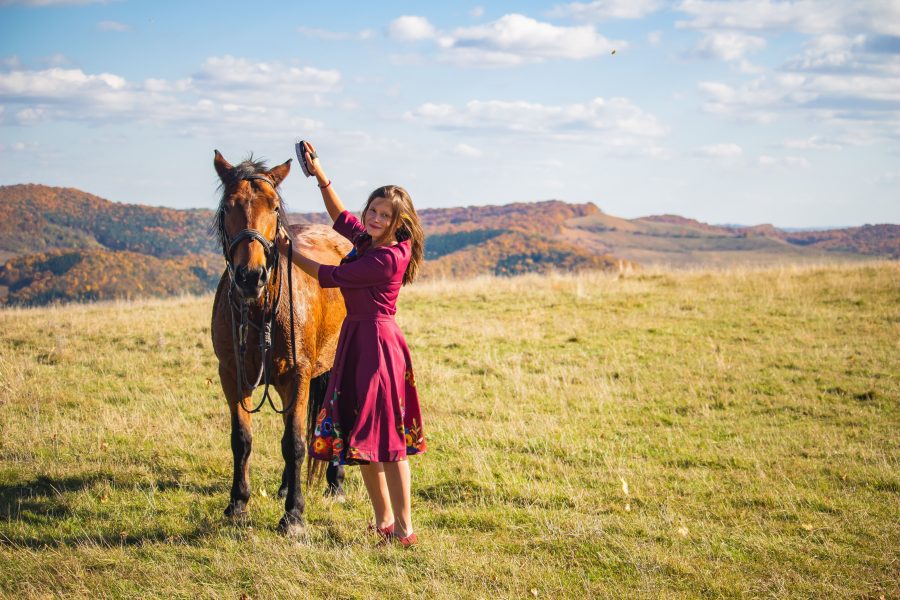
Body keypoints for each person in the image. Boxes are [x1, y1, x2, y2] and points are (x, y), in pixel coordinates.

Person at [276, 141, 426, 548]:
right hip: (357, 340)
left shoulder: (388, 257)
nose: (375, 218)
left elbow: (329, 276)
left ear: (400, 222)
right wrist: (320, 174)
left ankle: (405, 530)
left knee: (390, 446)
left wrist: (290, 254)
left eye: (385, 215)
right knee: (363, 440)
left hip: (377, 347)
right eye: (373, 210)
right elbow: (340, 217)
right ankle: (384, 522)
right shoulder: (369, 243)